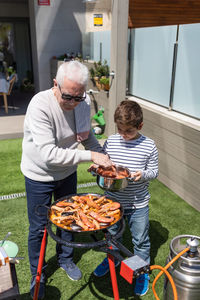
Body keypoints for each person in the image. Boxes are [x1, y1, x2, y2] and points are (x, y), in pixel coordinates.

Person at [20, 60, 112, 299]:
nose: (73, 103)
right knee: (40, 227)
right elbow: (49, 155)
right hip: (38, 174)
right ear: (55, 84)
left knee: (69, 219)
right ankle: (36, 272)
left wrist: (103, 157)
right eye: (68, 97)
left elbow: (87, 137)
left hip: (67, 172)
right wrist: (90, 155)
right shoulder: (40, 105)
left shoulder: (83, 102)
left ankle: (66, 259)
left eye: (78, 97)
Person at [92, 100, 159, 297]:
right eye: (120, 129)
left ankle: (142, 271)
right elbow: (105, 164)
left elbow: (154, 171)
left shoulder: (149, 145)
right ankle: (112, 259)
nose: (123, 135)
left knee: (140, 240)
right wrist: (97, 169)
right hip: (112, 201)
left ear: (140, 126)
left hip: (138, 203)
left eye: (128, 131)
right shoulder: (112, 141)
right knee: (112, 235)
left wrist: (142, 174)